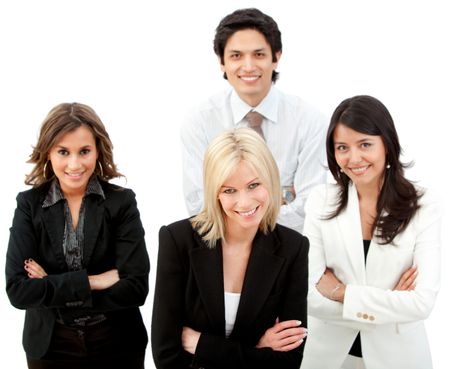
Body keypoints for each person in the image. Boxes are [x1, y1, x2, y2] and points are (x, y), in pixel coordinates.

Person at [301, 95, 441, 369]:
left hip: (399, 358)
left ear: (387, 145)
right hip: (329, 357)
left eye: (365, 144)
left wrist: (340, 291)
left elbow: (422, 303)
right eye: (342, 147)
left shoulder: (423, 205)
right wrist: (391, 303)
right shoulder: (321, 200)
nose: (354, 158)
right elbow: (309, 296)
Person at [5, 103, 150, 369]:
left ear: (97, 151)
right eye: (63, 152)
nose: (75, 164)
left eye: (84, 151)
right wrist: (93, 281)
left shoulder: (121, 202)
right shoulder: (29, 204)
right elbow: (19, 291)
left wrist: (51, 284)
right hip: (50, 346)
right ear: (48, 152)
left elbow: (136, 288)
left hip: (116, 342)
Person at [152, 128, 309, 369]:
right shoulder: (178, 240)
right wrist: (257, 347)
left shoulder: (293, 248)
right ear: (215, 193)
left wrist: (201, 345)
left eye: (254, 185)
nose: (244, 202)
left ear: (271, 180)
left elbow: (288, 362)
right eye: (229, 190)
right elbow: (166, 355)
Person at [181, 7, 327, 233]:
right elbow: (200, 205)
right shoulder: (200, 122)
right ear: (222, 62)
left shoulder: (309, 120)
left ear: (276, 57)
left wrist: (238, 211)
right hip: (224, 250)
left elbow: (312, 205)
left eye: (259, 54)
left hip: (291, 250)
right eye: (236, 56)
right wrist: (281, 202)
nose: (248, 66)